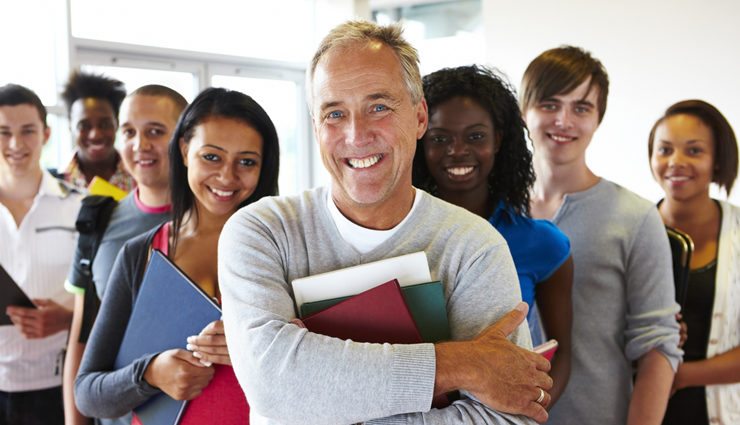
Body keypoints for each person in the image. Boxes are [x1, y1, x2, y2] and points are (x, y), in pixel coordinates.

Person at [219, 20, 552, 425]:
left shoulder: (474, 247)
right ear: (315, 128)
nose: (357, 135)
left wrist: (316, 391)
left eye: (378, 107)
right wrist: (462, 363)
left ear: (419, 117)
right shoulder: (262, 232)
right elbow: (272, 386)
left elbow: (509, 418)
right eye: (335, 113)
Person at [74, 87, 280, 423]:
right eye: (211, 156)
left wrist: (260, 349)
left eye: (246, 162)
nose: (227, 176)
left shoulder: (285, 251)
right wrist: (150, 373)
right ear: (184, 150)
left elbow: (321, 371)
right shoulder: (140, 254)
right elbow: (88, 393)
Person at [520, 45, 682, 425]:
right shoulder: (495, 215)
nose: (564, 120)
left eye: (581, 108)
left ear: (598, 119)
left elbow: (659, 346)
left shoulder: (636, 217)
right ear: (522, 110)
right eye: (549, 104)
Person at [412, 64, 573, 407]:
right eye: (440, 138)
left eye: (475, 136)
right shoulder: (397, 234)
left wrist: (529, 410)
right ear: (420, 139)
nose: (457, 151)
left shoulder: (543, 243)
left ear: (498, 140)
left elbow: (562, 354)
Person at [62, 85, 188, 425]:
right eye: (129, 132)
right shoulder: (99, 220)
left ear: (186, 140)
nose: (140, 145)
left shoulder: (216, 223)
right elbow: (82, 336)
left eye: (155, 132)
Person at [647, 99, 740, 425]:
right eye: (665, 150)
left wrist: (681, 375)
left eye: (694, 151)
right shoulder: (631, 231)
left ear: (718, 160)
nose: (676, 162)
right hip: (638, 409)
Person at [0, 84, 83, 424]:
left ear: (46, 133)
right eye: (3, 133)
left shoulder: (80, 206)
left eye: (28, 131)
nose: (16, 145)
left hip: (58, 382)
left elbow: (104, 293)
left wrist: (67, 316)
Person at [59, 71, 134, 192]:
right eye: (84, 125)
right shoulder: (56, 182)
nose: (95, 135)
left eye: (104, 124)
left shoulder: (139, 178)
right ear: (70, 126)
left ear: (117, 123)